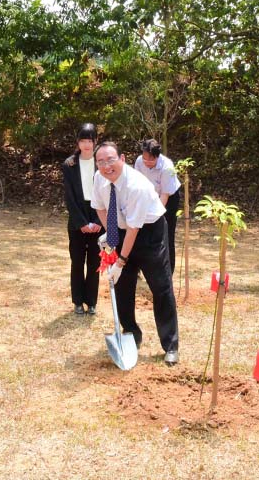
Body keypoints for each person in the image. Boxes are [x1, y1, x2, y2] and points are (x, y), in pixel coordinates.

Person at [90, 141, 180, 365]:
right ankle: (131, 332)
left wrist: (120, 262)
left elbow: (134, 229)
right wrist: (110, 237)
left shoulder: (136, 185)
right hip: (122, 231)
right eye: (100, 161)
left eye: (111, 160)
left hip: (149, 233)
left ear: (122, 159)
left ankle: (170, 345)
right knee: (122, 289)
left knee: (161, 287)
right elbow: (99, 207)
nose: (106, 166)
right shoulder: (99, 178)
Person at [62, 123, 103, 315]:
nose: (87, 145)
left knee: (95, 262)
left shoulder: (102, 162)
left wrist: (97, 222)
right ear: (78, 142)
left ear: (96, 142)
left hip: (97, 213)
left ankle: (92, 301)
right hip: (77, 216)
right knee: (77, 261)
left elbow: (106, 194)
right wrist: (82, 223)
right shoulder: (69, 164)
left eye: (90, 141)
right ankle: (78, 301)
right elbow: (69, 197)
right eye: (83, 141)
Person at [134, 139, 182, 275]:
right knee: (139, 229)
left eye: (151, 160)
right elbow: (137, 185)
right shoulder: (139, 161)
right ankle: (137, 268)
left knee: (166, 233)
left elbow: (165, 195)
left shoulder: (167, 167)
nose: (147, 163)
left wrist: (155, 217)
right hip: (148, 194)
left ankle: (168, 272)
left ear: (157, 156)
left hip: (168, 197)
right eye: (145, 159)